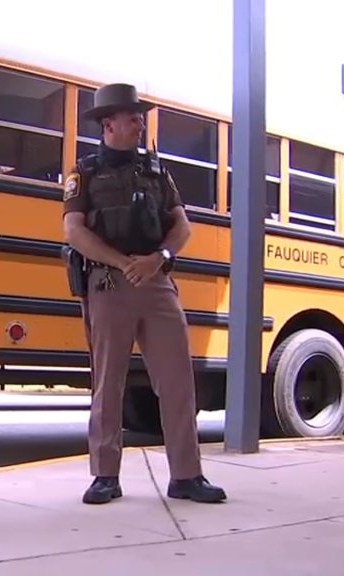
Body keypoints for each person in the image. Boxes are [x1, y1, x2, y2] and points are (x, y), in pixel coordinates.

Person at [62, 83, 226, 506]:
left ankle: (186, 475)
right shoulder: (86, 173)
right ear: (107, 123)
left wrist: (161, 256)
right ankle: (104, 475)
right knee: (107, 383)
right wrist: (122, 262)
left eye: (140, 117)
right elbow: (74, 231)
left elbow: (182, 224)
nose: (140, 124)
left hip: (155, 282)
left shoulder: (157, 172)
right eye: (132, 117)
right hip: (110, 282)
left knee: (177, 382)